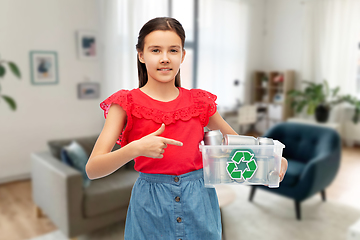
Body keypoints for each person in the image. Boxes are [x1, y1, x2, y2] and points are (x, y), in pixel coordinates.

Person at [85, 17, 288, 240]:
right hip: (150, 204)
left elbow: (237, 143)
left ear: (182, 55)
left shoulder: (199, 102)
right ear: (141, 55)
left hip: (199, 200)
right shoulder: (125, 103)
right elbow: (93, 169)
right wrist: (135, 148)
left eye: (173, 50)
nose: (164, 58)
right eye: (155, 50)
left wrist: (272, 158)